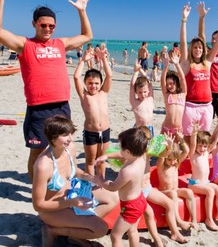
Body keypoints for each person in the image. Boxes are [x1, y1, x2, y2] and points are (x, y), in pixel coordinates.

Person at [0, 0, 93, 181]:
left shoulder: (60, 44)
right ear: (34, 23)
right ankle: (36, 189)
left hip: (62, 106)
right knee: (37, 152)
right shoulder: (24, 44)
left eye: (51, 26)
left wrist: (82, 12)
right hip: (38, 108)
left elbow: (87, 36)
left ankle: (60, 181)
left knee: (63, 148)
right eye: (43, 25)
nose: (47, 29)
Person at [32, 115, 118, 247]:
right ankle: (53, 231)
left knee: (113, 196)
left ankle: (76, 233)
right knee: (101, 229)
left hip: (72, 195)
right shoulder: (43, 165)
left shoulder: (69, 148)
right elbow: (38, 205)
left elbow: (74, 170)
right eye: (65, 135)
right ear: (52, 137)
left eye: (70, 133)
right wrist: (72, 202)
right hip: (53, 210)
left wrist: (92, 178)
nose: (70, 138)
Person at [179, 2, 218, 142]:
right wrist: (184, 20)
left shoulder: (207, 63)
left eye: (200, 48)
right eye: (195, 47)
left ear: (203, 50)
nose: (198, 50)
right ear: (192, 49)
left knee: (203, 139)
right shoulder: (186, 64)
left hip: (207, 106)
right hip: (190, 106)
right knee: (188, 138)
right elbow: (183, 42)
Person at [94, 127, 148, 247]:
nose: (120, 149)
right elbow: (123, 155)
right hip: (139, 199)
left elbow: (113, 187)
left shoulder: (127, 171)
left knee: (115, 235)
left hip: (130, 206)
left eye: (120, 147)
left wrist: (101, 180)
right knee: (132, 230)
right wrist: (107, 156)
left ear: (128, 152)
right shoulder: (140, 157)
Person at [74, 45, 112, 177]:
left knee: (102, 160)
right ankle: (90, 184)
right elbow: (76, 77)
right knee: (90, 161)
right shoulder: (84, 96)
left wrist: (103, 59)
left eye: (96, 83)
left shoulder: (103, 92)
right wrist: (83, 61)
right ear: (85, 83)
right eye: (90, 83)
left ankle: (100, 184)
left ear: (100, 83)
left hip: (105, 131)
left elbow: (109, 75)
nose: (93, 86)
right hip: (90, 133)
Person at [188, 121, 218, 231]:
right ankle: (209, 219)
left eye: (205, 146)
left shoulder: (206, 152)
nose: (202, 149)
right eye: (200, 146)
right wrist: (194, 133)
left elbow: (215, 140)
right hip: (195, 184)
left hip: (206, 182)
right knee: (210, 191)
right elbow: (192, 144)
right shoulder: (193, 154)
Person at [157, 131, 198, 229]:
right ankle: (179, 220)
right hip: (165, 191)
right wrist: (167, 146)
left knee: (189, 192)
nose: (172, 162)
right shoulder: (161, 166)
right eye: (170, 159)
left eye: (175, 159)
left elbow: (186, 151)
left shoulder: (176, 164)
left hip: (175, 189)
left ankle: (194, 220)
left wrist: (181, 139)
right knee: (173, 194)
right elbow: (162, 156)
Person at [160, 51, 187, 135]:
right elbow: (162, 81)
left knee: (177, 148)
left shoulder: (183, 94)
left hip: (178, 130)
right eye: (167, 84)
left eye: (171, 84)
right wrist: (165, 66)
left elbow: (182, 79)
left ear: (177, 83)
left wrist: (177, 64)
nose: (169, 86)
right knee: (163, 148)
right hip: (166, 129)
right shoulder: (167, 95)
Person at [129, 60, 154, 135]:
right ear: (136, 92)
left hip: (149, 128)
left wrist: (140, 70)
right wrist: (136, 71)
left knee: (149, 146)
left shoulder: (150, 99)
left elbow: (149, 82)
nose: (143, 94)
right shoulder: (134, 102)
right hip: (139, 129)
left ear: (148, 91)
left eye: (145, 92)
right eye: (140, 92)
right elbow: (132, 86)